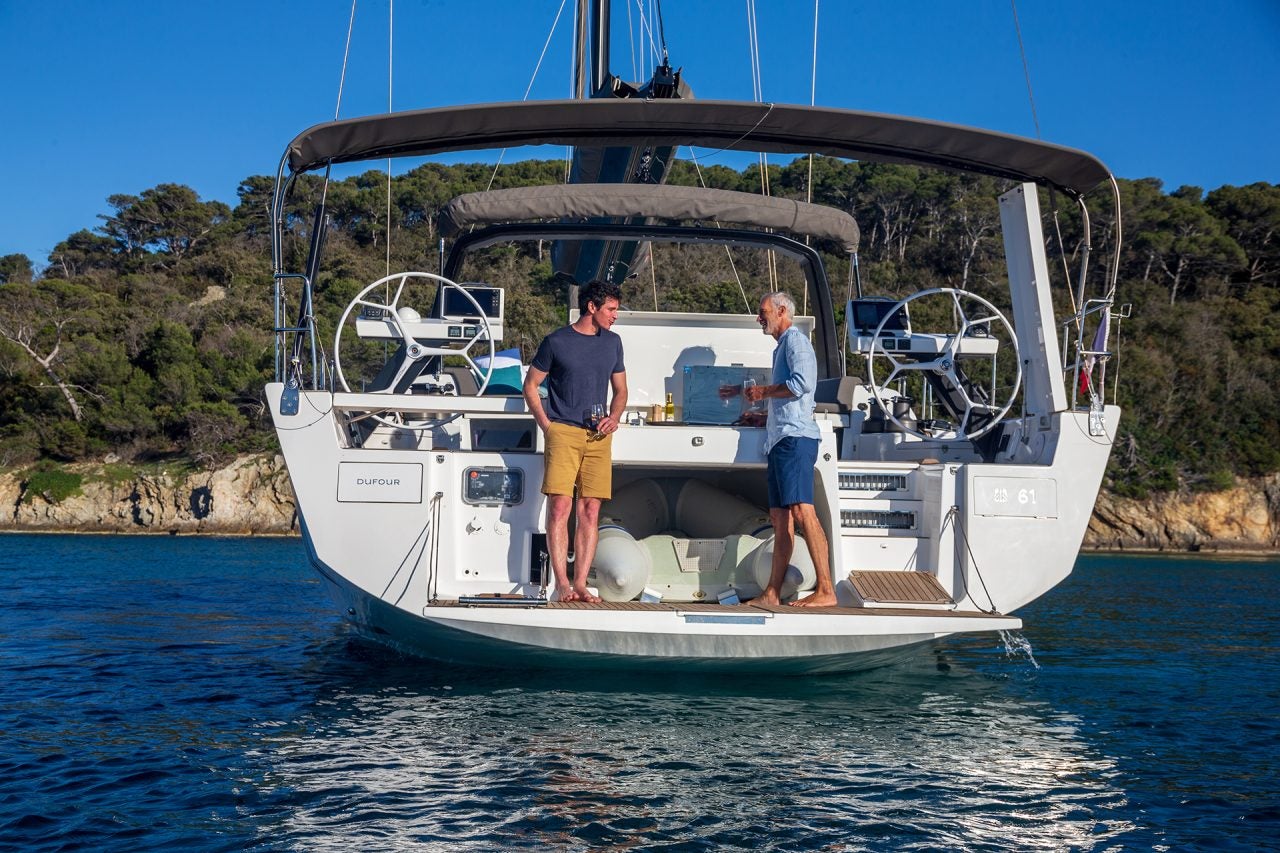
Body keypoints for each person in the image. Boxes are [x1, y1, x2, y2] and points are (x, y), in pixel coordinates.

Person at [721, 291, 837, 607]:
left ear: (781, 310)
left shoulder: (796, 343)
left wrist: (762, 391)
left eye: (762, 312)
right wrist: (763, 417)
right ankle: (771, 593)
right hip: (780, 439)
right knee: (779, 518)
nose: (759, 318)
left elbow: (802, 384)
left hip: (796, 439)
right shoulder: (781, 348)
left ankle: (826, 590)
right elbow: (789, 400)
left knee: (802, 511)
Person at [523, 280, 628, 603]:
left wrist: (615, 416)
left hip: (599, 436)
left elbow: (621, 390)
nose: (615, 316)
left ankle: (580, 584)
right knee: (560, 507)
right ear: (592, 307)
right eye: (611, 309)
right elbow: (531, 386)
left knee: (591, 509)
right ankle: (562, 585)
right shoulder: (556, 341)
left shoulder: (613, 343)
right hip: (563, 432)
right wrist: (547, 426)